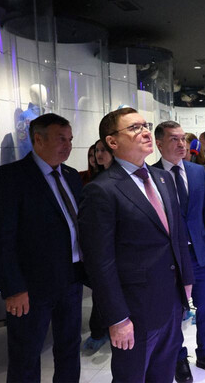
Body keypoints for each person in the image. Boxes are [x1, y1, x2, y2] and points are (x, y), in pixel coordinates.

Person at [78, 107, 194, 382]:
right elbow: (100, 263)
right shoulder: (101, 190)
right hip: (135, 310)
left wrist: (186, 281)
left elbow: (177, 235)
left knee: (163, 374)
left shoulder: (162, 178)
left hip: (170, 302)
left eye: (145, 125)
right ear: (112, 141)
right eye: (134, 128)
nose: (145, 132)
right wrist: (117, 318)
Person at [0, 113, 84, 382]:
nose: (68, 145)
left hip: (71, 278)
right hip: (31, 286)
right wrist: (13, 288)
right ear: (38, 139)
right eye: (61, 139)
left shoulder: (71, 176)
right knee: (26, 356)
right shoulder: (9, 178)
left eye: (70, 139)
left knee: (69, 349)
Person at [152, 121, 205, 383]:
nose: (181, 144)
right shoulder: (151, 175)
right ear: (159, 144)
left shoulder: (199, 171)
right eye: (173, 139)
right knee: (175, 312)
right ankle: (178, 358)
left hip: (199, 253)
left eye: (183, 138)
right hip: (170, 259)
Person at [81, 139, 113, 352]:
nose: (98, 156)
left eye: (103, 151)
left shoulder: (119, 178)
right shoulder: (89, 180)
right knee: (101, 291)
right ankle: (98, 331)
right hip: (98, 245)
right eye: (95, 152)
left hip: (117, 246)